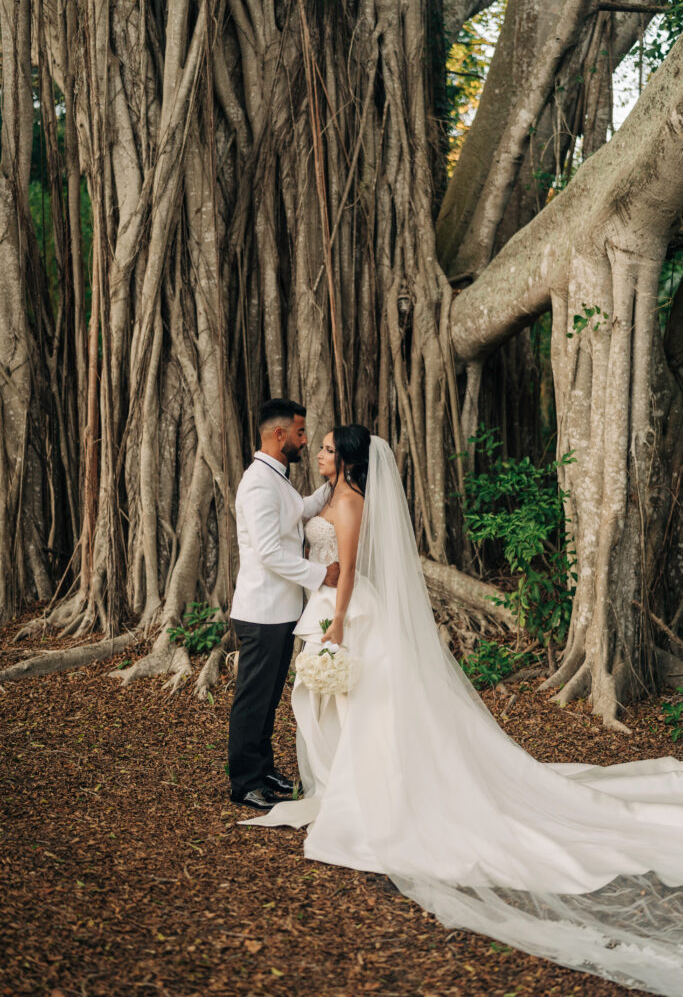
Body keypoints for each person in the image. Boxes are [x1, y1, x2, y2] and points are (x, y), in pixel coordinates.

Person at [243, 428, 683, 996]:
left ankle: (368, 790)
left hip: (345, 614)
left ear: (347, 460)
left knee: (366, 710)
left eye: (327, 448)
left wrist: (336, 626)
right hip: (322, 606)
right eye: (318, 445)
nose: (319, 453)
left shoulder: (350, 504)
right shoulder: (324, 497)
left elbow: (348, 570)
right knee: (334, 709)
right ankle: (338, 782)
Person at [227, 399, 339, 811]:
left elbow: (300, 510)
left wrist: (339, 479)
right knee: (253, 697)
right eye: (301, 433)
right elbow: (270, 552)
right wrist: (321, 576)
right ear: (280, 435)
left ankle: (262, 767)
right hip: (261, 611)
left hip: (280, 610)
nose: (306, 441)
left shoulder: (277, 477)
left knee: (269, 696)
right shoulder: (259, 482)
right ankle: (244, 782)